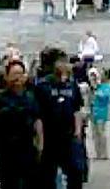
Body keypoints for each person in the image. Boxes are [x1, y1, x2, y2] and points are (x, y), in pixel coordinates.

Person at [0, 60, 43, 189]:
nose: (17, 78)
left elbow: (37, 120)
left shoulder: (31, 97)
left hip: (28, 149)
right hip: (7, 151)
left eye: (20, 74)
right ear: (7, 77)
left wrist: (40, 145)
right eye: (14, 74)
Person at [34, 52, 85, 189]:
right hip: (50, 137)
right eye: (61, 62)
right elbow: (38, 115)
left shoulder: (71, 84)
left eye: (66, 62)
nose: (65, 65)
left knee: (76, 171)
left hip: (69, 136)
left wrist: (78, 132)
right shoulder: (43, 86)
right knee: (47, 176)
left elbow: (77, 108)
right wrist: (40, 141)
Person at [89, 68, 110, 160]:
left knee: (101, 132)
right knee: (94, 133)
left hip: (101, 111)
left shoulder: (108, 86)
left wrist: (96, 91)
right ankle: (98, 153)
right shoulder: (98, 85)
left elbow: (104, 97)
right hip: (93, 110)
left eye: (102, 74)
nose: (101, 75)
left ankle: (104, 153)